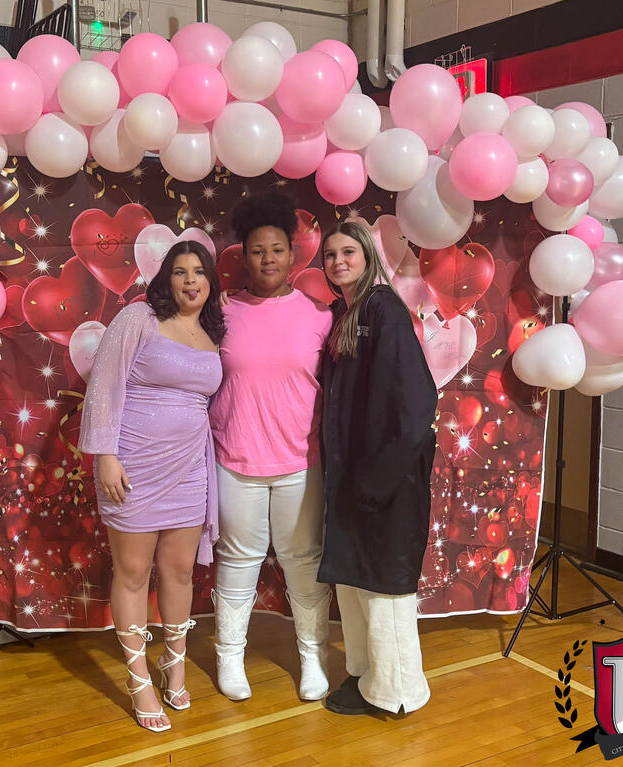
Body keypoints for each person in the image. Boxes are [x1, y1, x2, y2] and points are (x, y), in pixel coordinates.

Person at [80, 241, 225, 732]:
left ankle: (174, 663)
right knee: (133, 572)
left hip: (189, 469)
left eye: (199, 272)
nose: (191, 281)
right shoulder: (139, 317)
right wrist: (105, 455)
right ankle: (138, 678)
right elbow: (104, 383)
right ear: (166, 278)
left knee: (180, 572)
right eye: (181, 272)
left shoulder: (213, 330)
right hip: (133, 466)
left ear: (210, 281)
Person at [208, 191, 334, 702]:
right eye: (257, 251)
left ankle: (313, 657)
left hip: (301, 461)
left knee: (302, 558)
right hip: (234, 458)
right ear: (243, 255)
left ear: (292, 253)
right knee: (238, 557)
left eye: (277, 249)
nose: (267, 259)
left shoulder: (320, 315)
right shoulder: (220, 311)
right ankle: (229, 657)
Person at [317, 220, 438, 716]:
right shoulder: (345, 314)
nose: (338, 261)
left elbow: (416, 402)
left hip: (387, 476)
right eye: (330, 255)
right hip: (352, 475)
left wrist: (379, 477)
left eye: (348, 251)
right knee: (355, 579)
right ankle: (365, 674)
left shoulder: (383, 308)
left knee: (383, 586)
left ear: (367, 256)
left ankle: (397, 693)